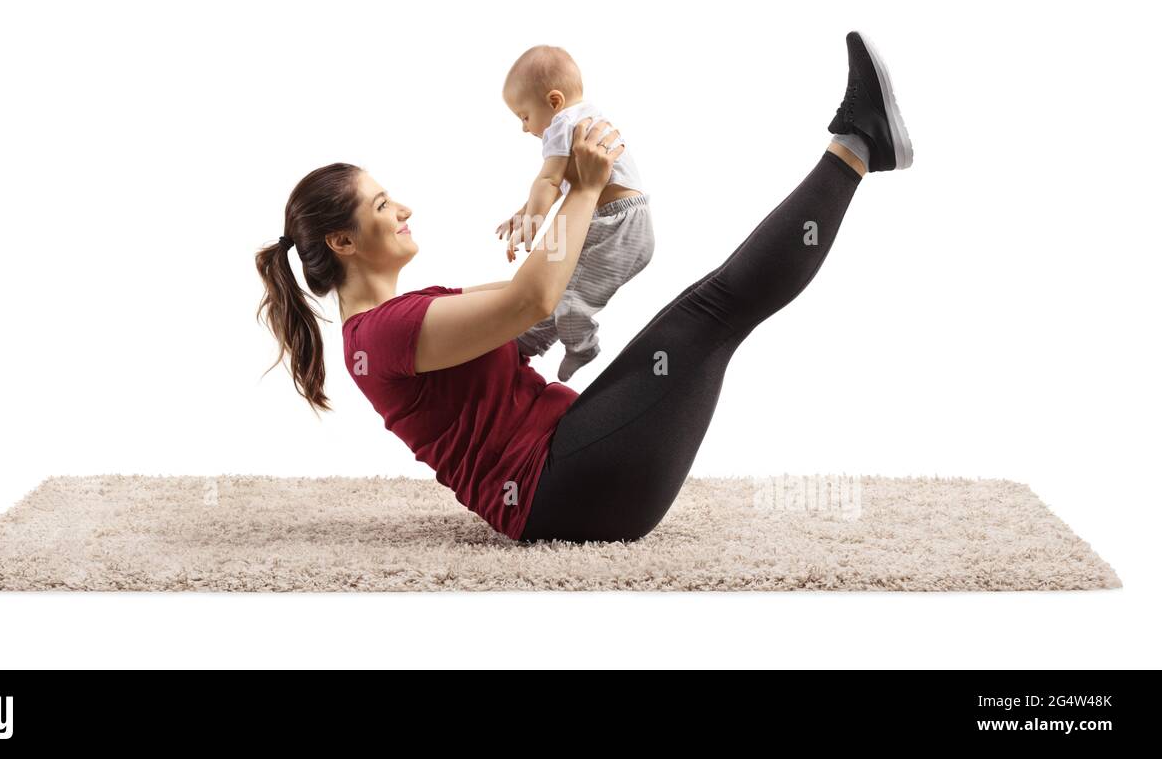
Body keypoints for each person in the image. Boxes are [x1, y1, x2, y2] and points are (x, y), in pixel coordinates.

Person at [255, 31, 913, 544]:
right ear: (341, 244)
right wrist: (587, 189)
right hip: (565, 489)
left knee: (712, 311)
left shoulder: (403, 316)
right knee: (714, 310)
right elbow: (531, 300)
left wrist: (584, 216)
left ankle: (859, 145)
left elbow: (533, 306)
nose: (403, 210)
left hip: (572, 464)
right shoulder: (383, 332)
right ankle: (859, 143)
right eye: (381, 207)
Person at [497, 44, 655, 381]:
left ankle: (583, 345)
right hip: (616, 221)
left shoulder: (562, 124)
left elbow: (549, 180)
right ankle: (525, 343)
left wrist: (532, 225)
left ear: (554, 101)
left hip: (615, 225)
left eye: (525, 116)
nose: (525, 128)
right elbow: (561, 183)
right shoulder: (585, 117)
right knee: (556, 285)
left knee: (569, 301)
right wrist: (524, 212)